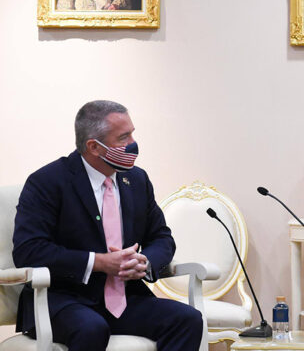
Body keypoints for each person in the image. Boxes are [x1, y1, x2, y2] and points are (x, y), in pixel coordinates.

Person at [13, 100, 202, 351]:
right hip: (63, 300)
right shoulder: (47, 182)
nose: (133, 143)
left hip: (124, 299)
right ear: (94, 146)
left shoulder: (136, 179)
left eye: (132, 133)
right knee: (91, 327)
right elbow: (29, 250)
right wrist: (99, 262)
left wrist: (144, 262)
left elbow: (162, 237)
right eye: (124, 137)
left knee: (187, 320)